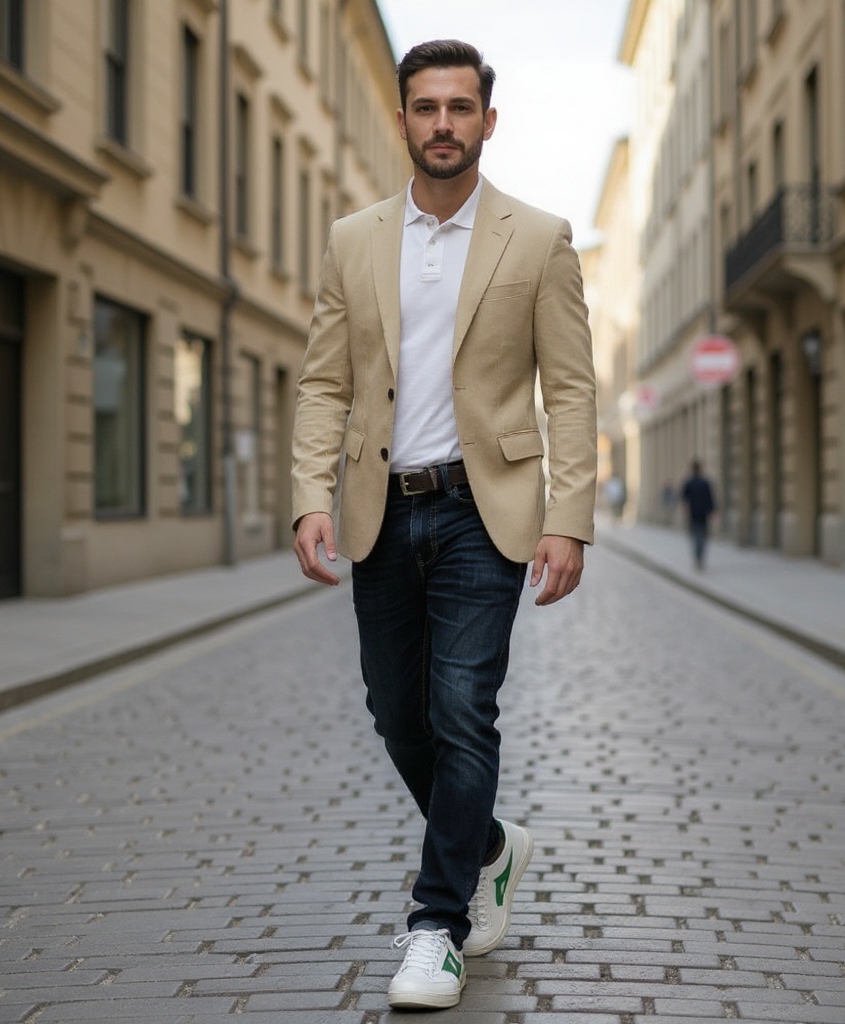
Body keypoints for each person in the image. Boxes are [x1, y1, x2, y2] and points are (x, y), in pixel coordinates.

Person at [291, 39, 597, 1011]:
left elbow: (573, 388)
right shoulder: (354, 238)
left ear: (486, 122)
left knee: (463, 707)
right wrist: (308, 493)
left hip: (483, 507)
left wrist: (569, 515)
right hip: (381, 504)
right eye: (425, 108)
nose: (442, 125)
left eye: (459, 108)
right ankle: (492, 846)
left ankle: (437, 923)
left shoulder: (538, 237)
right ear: (403, 120)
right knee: (395, 711)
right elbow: (326, 380)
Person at [680, 459, 716, 570]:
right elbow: (710, 498)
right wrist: (712, 511)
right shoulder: (705, 482)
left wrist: (685, 509)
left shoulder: (689, 482)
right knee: (702, 536)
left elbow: (683, 498)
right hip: (703, 513)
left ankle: (697, 558)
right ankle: (700, 557)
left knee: (695, 536)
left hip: (693, 513)